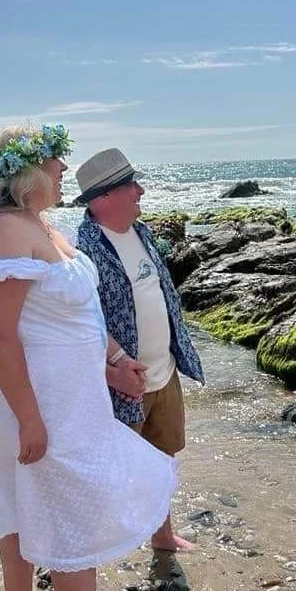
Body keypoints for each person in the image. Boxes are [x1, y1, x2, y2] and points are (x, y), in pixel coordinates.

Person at [0, 124, 177, 591]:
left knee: (27, 504)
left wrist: (115, 361)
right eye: (55, 163)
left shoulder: (38, 226)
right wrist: (29, 418)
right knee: (66, 507)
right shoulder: (1, 228)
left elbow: (78, 318)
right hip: (40, 398)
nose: (62, 172)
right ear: (28, 169)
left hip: (72, 393)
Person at [75, 147, 204, 552]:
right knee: (107, 472)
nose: (141, 191)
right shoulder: (82, 251)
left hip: (162, 371)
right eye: (131, 185)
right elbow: (78, 325)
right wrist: (110, 370)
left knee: (161, 458)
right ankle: (84, 554)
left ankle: (161, 535)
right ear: (104, 198)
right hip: (120, 383)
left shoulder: (143, 233)